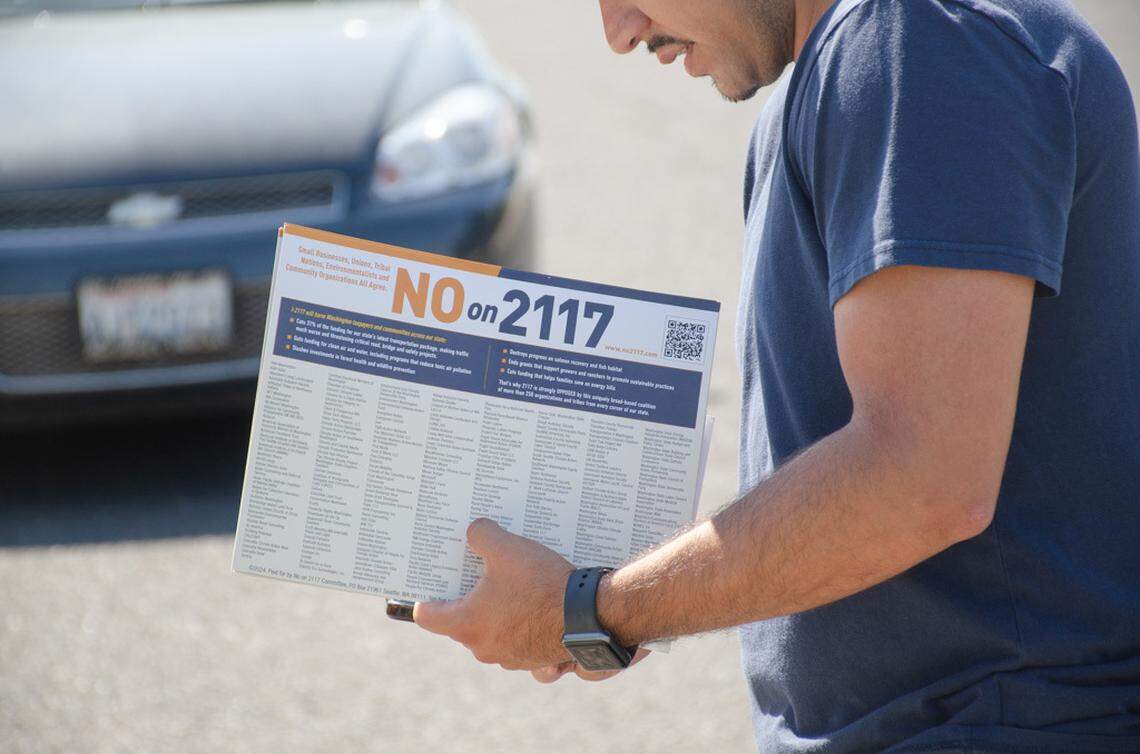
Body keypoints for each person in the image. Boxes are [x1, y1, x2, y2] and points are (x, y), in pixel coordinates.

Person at [413, 0, 1140, 751]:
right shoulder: (841, 73)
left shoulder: (917, 39)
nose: (620, 32)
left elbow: (919, 478)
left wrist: (591, 611)